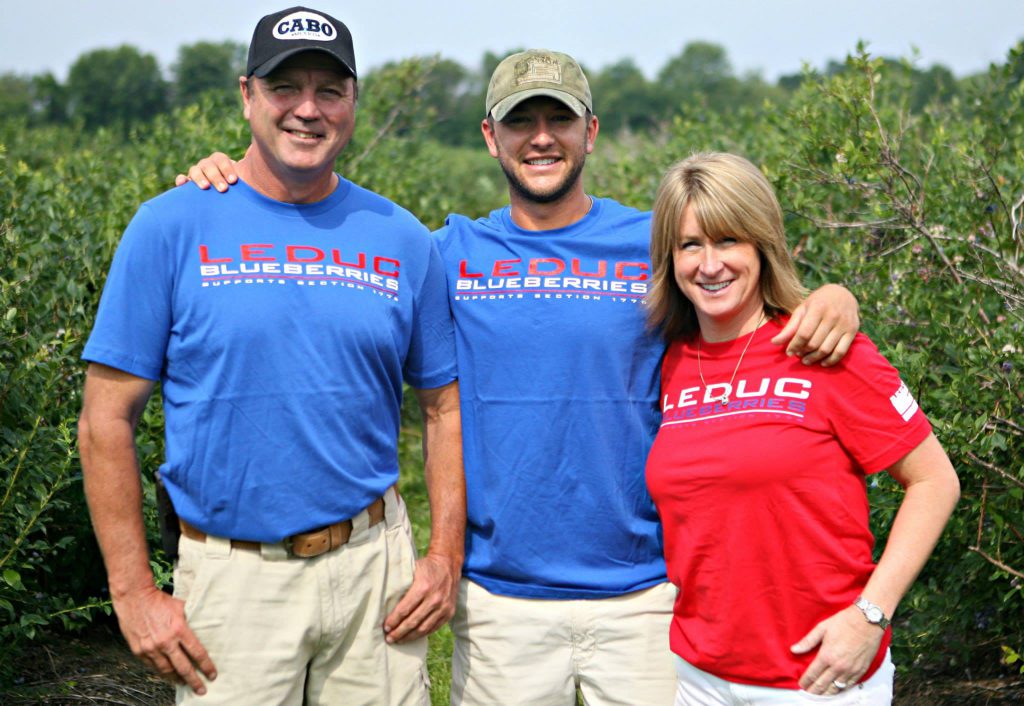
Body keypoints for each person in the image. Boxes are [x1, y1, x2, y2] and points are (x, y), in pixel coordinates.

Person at [180, 50, 860, 705]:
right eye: (520, 122)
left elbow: (740, 288)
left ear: (589, 132)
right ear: (490, 136)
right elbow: (333, 262)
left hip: (647, 594)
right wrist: (227, 184)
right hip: (502, 601)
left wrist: (832, 299)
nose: (541, 139)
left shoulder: (652, 243)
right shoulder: (443, 252)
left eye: (559, 120)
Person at [78, 7, 464, 705]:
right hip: (234, 586)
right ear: (247, 94)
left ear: (354, 102)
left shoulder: (403, 238)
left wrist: (442, 557)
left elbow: (444, 407)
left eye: (330, 90)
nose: (308, 110)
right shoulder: (171, 225)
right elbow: (105, 419)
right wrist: (133, 590)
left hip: (374, 574)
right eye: (285, 87)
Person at [644, 152, 960, 705]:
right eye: (691, 245)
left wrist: (870, 617)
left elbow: (935, 481)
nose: (710, 264)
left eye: (729, 241)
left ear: (762, 246)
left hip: (818, 680)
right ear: (670, 258)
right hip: (697, 679)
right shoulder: (669, 360)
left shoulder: (823, 346)